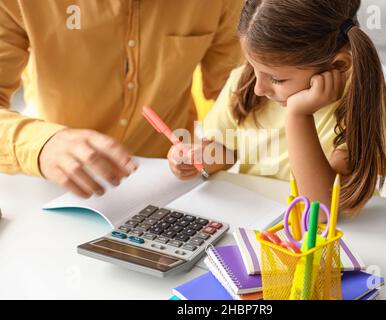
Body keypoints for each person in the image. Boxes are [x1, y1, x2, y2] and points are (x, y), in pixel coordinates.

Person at [168, 0, 386, 214]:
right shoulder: (246, 82)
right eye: (253, 66)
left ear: (338, 65)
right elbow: (226, 147)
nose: (259, 88)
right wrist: (200, 157)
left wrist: (299, 115)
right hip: (259, 218)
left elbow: (321, 209)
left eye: (277, 79)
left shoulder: (367, 101)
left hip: (334, 239)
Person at [0, 0, 244, 198]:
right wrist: (42, 145)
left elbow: (243, 104)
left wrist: (218, 152)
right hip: (49, 187)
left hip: (171, 185)